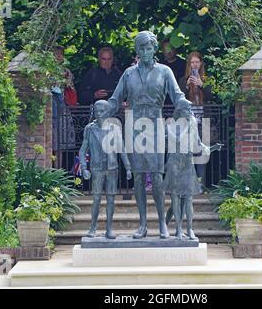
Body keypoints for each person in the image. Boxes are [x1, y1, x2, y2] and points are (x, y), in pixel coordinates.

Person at [107, 31, 187, 239]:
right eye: (141, 48)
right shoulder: (128, 74)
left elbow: (177, 95)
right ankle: (142, 224)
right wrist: (104, 109)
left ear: (154, 49)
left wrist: (184, 103)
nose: (144, 52)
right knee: (139, 177)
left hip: (154, 124)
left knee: (157, 176)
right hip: (134, 125)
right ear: (137, 50)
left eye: (148, 48)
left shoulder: (164, 71)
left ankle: (162, 223)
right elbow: (115, 99)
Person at [164, 99, 223, 239]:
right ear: (180, 111)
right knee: (176, 200)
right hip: (174, 164)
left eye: (191, 110)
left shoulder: (192, 124)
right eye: (188, 109)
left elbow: (197, 144)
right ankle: (176, 228)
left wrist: (211, 148)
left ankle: (189, 228)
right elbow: (172, 141)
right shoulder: (170, 126)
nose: (191, 112)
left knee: (188, 198)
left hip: (187, 163)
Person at [78, 100, 132, 239]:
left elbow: (122, 149)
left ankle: (109, 229)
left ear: (108, 112)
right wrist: (84, 167)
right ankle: (93, 228)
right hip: (97, 168)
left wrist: (128, 167)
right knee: (96, 199)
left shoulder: (115, 129)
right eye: (97, 111)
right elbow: (83, 151)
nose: (99, 114)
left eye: (102, 111)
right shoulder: (90, 129)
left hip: (112, 168)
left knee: (111, 200)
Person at [178, 51, 213, 190]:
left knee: (202, 153)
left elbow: (212, 97)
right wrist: (187, 86)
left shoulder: (207, 79)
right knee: (188, 153)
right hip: (188, 122)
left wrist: (202, 84)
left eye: (197, 62)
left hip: (203, 120)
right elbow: (179, 100)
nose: (195, 65)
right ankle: (189, 184)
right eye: (192, 62)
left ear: (201, 64)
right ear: (189, 64)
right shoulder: (182, 80)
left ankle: (201, 185)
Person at [160, 40, 186, 106]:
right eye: (166, 49)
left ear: (175, 49)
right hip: (163, 103)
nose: (169, 51)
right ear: (163, 50)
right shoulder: (159, 66)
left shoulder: (183, 65)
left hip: (179, 102)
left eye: (171, 48)